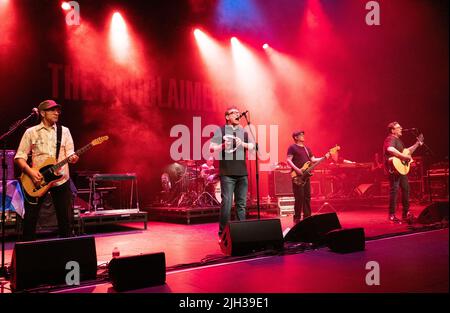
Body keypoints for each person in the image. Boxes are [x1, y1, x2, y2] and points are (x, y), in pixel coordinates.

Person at [15, 100, 79, 241]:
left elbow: (70, 153)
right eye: (53, 110)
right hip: (37, 180)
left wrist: (73, 158)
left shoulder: (65, 131)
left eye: (58, 110)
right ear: (43, 113)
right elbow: (19, 157)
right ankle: (28, 251)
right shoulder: (31, 132)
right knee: (30, 217)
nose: (57, 113)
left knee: (65, 220)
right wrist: (30, 172)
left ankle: (66, 251)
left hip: (61, 180)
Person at [209, 106, 255, 237]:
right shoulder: (221, 130)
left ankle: (242, 234)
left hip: (242, 174)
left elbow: (253, 147)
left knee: (241, 205)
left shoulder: (243, 132)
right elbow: (211, 149)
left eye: (238, 113)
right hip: (227, 173)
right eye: (234, 113)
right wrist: (223, 146)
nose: (237, 115)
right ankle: (223, 233)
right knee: (227, 204)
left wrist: (243, 144)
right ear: (227, 117)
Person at [383, 121, 422, 224]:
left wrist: (417, 144)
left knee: (406, 189)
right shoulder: (390, 138)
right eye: (398, 127)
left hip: (400, 169)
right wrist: (404, 157)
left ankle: (406, 213)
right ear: (393, 130)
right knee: (394, 191)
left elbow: (406, 151)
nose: (401, 128)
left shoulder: (399, 141)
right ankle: (391, 215)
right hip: (394, 169)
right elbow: (390, 149)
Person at [287, 130, 330, 224]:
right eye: (301, 135)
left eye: (303, 134)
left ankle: (307, 217)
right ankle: (297, 218)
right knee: (299, 197)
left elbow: (313, 159)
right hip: (297, 175)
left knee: (307, 196)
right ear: (295, 137)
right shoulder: (292, 147)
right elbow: (288, 160)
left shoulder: (307, 149)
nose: (303, 136)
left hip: (306, 176)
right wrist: (297, 169)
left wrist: (324, 157)